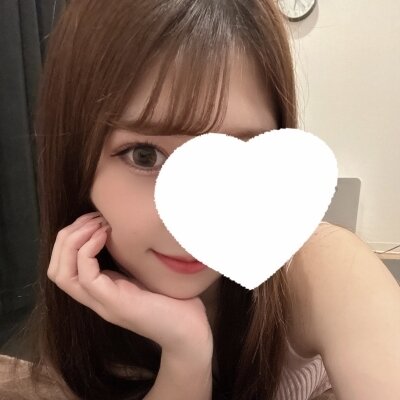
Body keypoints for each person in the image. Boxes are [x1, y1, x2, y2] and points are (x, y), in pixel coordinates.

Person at [2, 1, 399, 399]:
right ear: (76, 166)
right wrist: (185, 355)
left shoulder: (323, 269)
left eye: (236, 152)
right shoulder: (87, 316)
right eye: (145, 155)